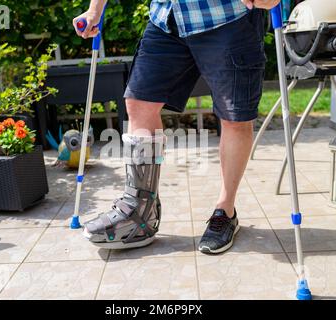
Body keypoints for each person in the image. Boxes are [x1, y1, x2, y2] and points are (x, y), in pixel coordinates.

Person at [73, 0, 280, 254]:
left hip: (227, 16)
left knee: (235, 117)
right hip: (167, 18)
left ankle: (225, 210)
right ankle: (140, 212)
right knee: (139, 103)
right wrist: (95, 9)